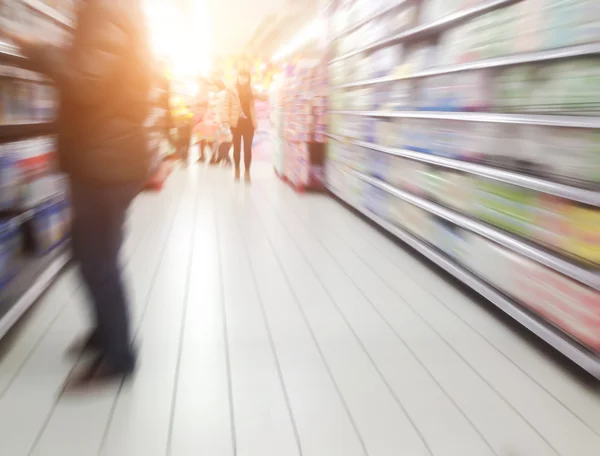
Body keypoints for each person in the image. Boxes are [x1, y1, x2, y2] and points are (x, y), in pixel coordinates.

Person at [6, 0, 152, 388]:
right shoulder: (109, 11)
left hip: (105, 162)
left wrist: (34, 46)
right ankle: (106, 333)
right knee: (89, 254)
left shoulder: (108, 11)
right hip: (103, 156)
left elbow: (86, 82)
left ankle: (120, 356)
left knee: (97, 259)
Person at [231, 70, 268, 182]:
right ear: (237, 77)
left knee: (247, 149)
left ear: (248, 79)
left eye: (245, 77)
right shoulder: (232, 90)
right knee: (236, 148)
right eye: (241, 76)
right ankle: (237, 170)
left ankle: (247, 172)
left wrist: (256, 93)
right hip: (236, 124)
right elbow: (226, 104)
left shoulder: (252, 90)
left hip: (249, 124)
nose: (243, 79)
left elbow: (265, 97)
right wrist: (225, 120)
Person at [211, 80, 240, 166]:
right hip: (224, 119)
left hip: (222, 120)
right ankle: (221, 158)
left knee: (223, 140)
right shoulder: (223, 94)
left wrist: (220, 120)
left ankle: (226, 159)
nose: (212, 88)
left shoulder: (221, 95)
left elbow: (221, 108)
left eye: (214, 86)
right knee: (224, 140)